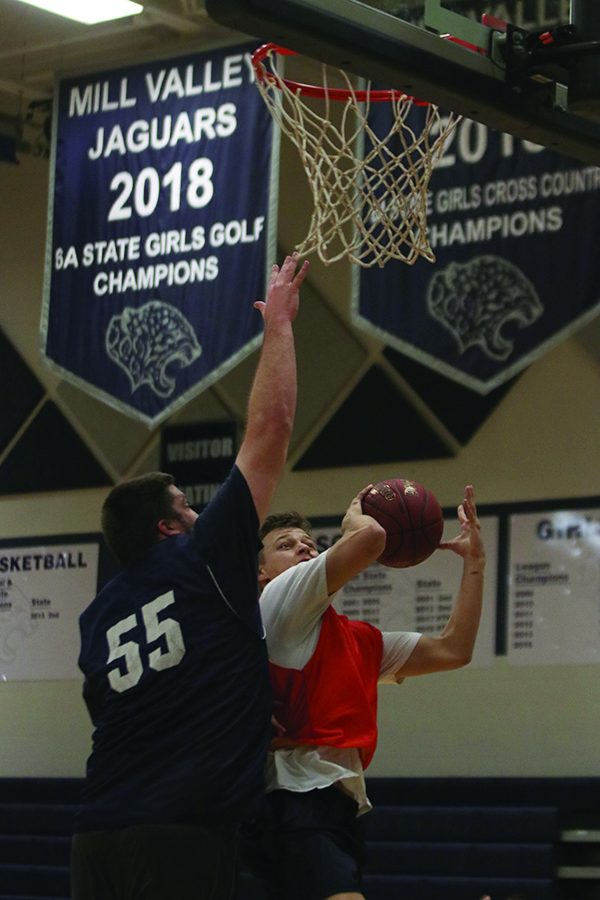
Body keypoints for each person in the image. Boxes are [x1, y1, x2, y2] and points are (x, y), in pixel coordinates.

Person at [70, 253, 309, 900]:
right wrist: (280, 326)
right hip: (180, 836)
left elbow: (143, 702)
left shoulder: (96, 619)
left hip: (96, 838)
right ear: (168, 528)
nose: (199, 511)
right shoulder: (204, 553)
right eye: (186, 505)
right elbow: (269, 429)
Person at [241, 483, 485, 900]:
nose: (303, 548)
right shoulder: (276, 603)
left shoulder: (358, 640)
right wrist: (355, 520)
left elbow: (453, 649)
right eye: (286, 544)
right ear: (261, 572)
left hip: (331, 803)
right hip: (295, 794)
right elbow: (371, 540)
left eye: (308, 542)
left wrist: (475, 561)